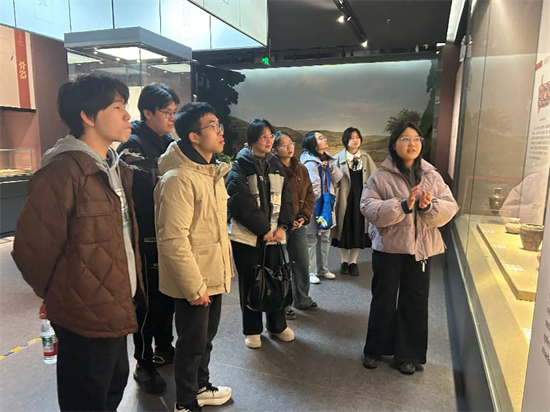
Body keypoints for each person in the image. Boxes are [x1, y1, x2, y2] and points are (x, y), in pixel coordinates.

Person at [12, 74, 145, 411]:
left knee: (113, 386)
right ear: (87, 116)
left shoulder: (112, 166)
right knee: (86, 398)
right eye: (117, 107)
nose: (127, 115)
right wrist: (62, 295)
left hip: (116, 303)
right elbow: (31, 249)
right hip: (84, 312)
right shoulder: (63, 170)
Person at [360, 122, 458, 375]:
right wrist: (402, 206)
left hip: (421, 249)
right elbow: (368, 207)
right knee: (383, 299)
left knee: (415, 300)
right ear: (394, 144)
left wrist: (427, 207)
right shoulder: (380, 175)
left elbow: (450, 207)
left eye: (416, 139)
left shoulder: (432, 175)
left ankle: (408, 354)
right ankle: (375, 349)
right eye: (405, 139)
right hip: (388, 248)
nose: (412, 144)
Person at [154, 102, 233, 412]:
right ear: (194, 136)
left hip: (211, 273)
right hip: (195, 279)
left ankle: (200, 386)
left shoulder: (210, 173)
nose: (220, 131)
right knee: (191, 343)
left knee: (205, 340)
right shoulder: (178, 178)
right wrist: (194, 286)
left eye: (219, 125)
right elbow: (173, 239)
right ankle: (186, 402)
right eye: (212, 126)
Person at [117, 83, 180, 394]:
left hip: (169, 234)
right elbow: (145, 193)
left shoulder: (169, 142)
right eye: (166, 112)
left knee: (168, 297)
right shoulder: (132, 144)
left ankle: (164, 347)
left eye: (174, 112)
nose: (172, 118)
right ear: (147, 112)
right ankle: (143, 363)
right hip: (145, 237)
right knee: (147, 302)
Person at [226, 118, 295, 349]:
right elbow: (239, 201)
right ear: (253, 139)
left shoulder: (276, 165)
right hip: (247, 238)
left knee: (276, 279)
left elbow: (287, 198)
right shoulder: (240, 165)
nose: (268, 140)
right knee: (251, 283)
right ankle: (252, 329)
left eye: (271, 136)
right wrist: (263, 229)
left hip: (276, 236)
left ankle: (277, 326)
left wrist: (282, 226)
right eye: (263, 136)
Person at [272, 131, 318, 320]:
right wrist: (285, 220)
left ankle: (302, 299)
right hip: (279, 225)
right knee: (281, 266)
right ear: (275, 150)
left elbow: (310, 194)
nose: (289, 147)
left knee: (301, 262)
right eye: (283, 145)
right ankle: (284, 305)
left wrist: (304, 216)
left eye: (290, 143)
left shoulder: (301, 168)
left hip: (299, 224)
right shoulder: (272, 168)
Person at [332, 127, 377, 276]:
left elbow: (374, 178)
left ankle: (353, 262)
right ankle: (344, 261)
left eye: (357, 137)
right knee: (343, 229)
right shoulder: (337, 158)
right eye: (352, 138)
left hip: (361, 198)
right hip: (344, 199)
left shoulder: (366, 158)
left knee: (359, 229)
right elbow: (332, 180)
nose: (355, 140)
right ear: (346, 141)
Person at [300, 131, 343, 284]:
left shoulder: (326, 159)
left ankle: (323, 269)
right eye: (320, 138)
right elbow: (314, 186)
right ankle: (310, 271)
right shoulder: (310, 162)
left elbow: (339, 177)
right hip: (314, 205)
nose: (325, 139)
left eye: (324, 137)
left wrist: (329, 168)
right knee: (311, 240)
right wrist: (316, 202)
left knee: (325, 237)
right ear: (313, 144)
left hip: (325, 204)